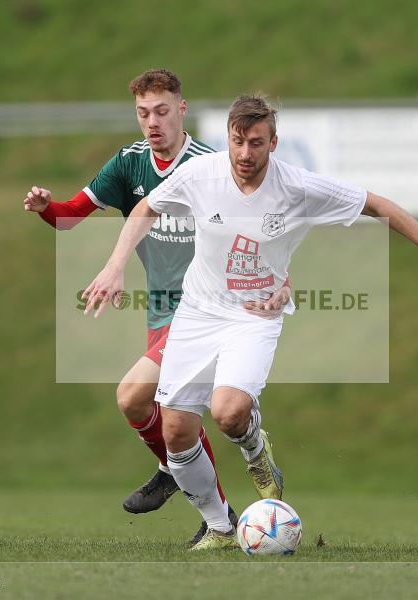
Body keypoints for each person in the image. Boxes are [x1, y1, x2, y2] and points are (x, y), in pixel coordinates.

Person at [83, 95, 418, 550]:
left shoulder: (297, 186)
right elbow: (146, 209)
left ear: (273, 143)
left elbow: (378, 206)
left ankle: (255, 447)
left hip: (255, 316)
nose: (245, 154)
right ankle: (218, 527)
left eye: (256, 143)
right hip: (197, 313)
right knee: (176, 431)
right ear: (228, 139)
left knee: (228, 412)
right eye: (237, 142)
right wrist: (115, 264)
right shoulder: (200, 173)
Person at [23, 70, 292, 546]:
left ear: (182, 110)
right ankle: (184, 477)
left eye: (162, 111)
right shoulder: (129, 165)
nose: (152, 122)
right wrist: (47, 207)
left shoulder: (211, 166)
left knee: (136, 397)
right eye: (143, 113)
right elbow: (67, 220)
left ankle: (209, 506)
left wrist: (281, 281)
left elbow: (262, 230)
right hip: (161, 315)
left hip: (209, 311)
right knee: (142, 407)